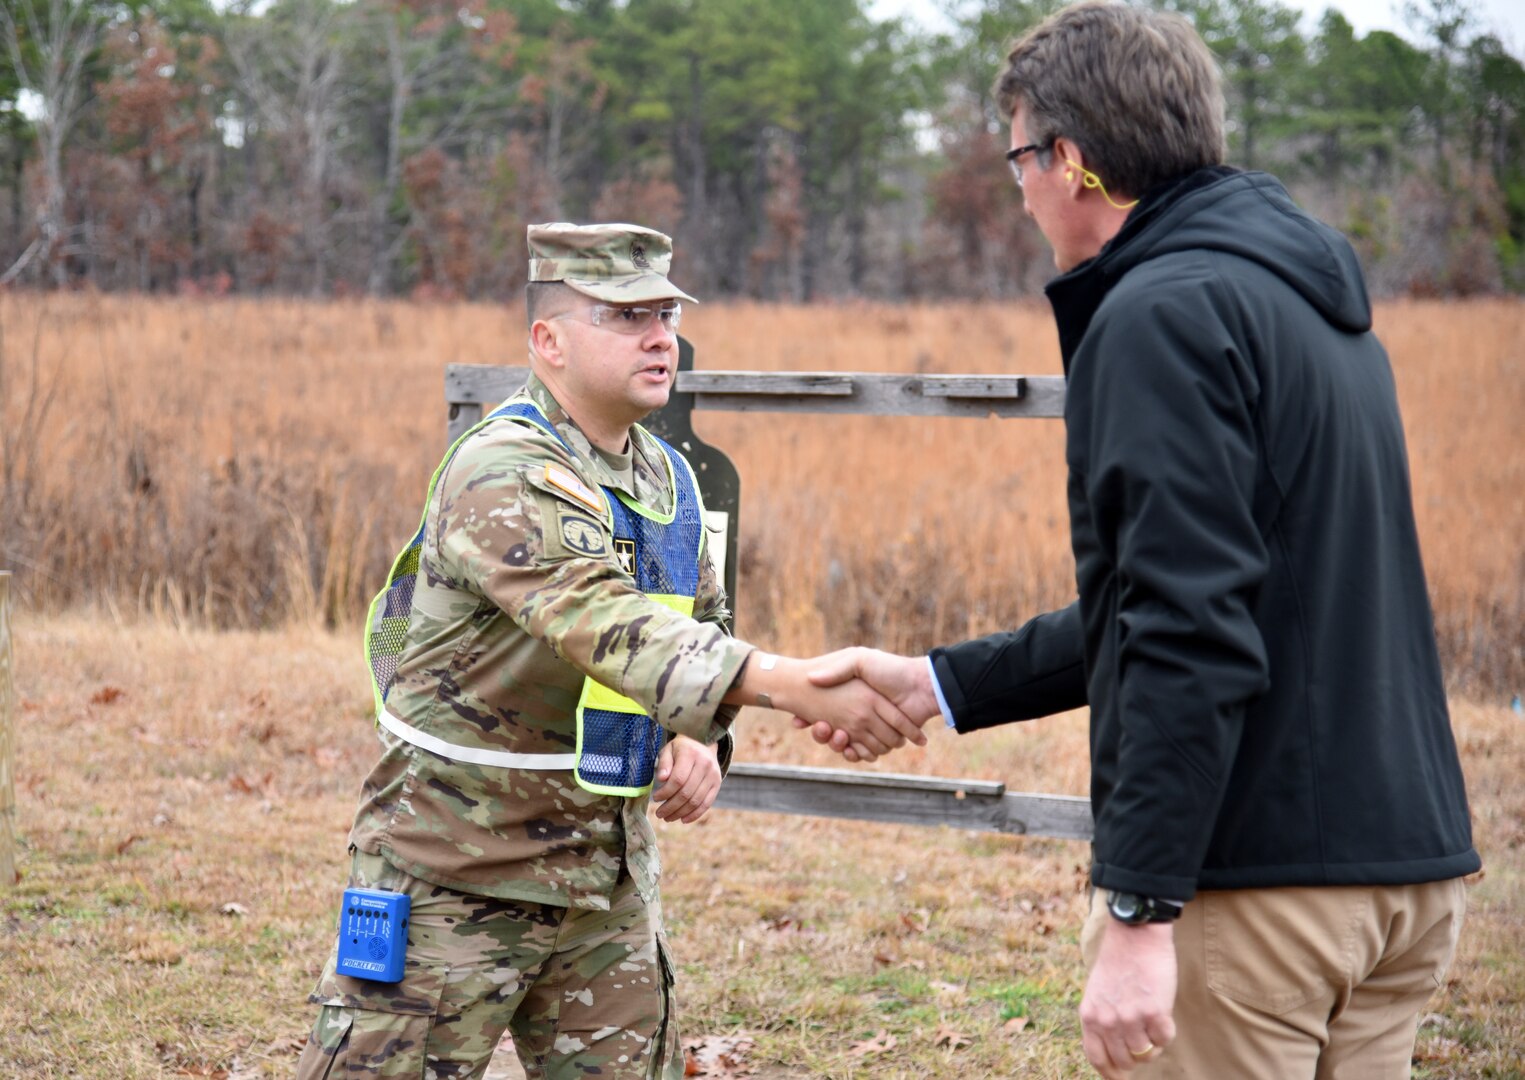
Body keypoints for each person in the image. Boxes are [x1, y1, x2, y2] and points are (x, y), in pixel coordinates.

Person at [802, 4, 1480, 1077]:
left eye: (1020, 156)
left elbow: (1184, 624)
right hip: (1397, 877)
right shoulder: (1306, 302)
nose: (1020, 189)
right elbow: (1203, 593)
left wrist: (1140, 908)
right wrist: (939, 682)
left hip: (1254, 898)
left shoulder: (1161, 312)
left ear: (1070, 161)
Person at [295, 222, 923, 1080]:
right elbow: (598, 616)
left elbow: (698, 633)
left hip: (604, 883)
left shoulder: (666, 479)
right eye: (625, 316)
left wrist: (702, 741)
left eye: (664, 312)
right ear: (546, 341)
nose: (660, 335)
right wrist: (793, 684)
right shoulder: (503, 467)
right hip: (457, 871)